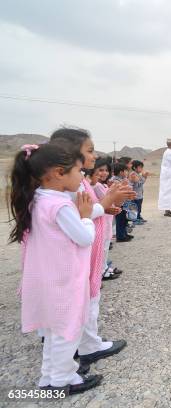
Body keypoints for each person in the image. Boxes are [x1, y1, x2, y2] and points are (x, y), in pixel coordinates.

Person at [8, 141, 103, 394]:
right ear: (59, 173)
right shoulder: (60, 206)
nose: (82, 177)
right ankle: (61, 381)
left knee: (53, 332)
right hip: (63, 281)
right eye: (78, 171)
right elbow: (84, 238)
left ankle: (49, 377)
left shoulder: (37, 199)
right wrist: (84, 216)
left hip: (46, 280)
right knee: (66, 331)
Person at [49, 128, 131, 374]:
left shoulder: (78, 180)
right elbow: (79, 214)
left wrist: (108, 205)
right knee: (85, 297)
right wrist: (106, 203)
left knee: (89, 295)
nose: (95, 156)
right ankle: (82, 350)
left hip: (89, 243)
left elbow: (90, 209)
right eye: (90, 150)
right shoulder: (71, 184)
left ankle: (87, 344)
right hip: (82, 246)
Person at [129, 160, 148, 224]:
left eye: (142, 167)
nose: (141, 169)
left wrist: (143, 177)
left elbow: (141, 183)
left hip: (139, 195)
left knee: (139, 208)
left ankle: (138, 217)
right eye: (140, 167)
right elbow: (137, 185)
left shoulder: (138, 174)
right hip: (135, 195)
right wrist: (144, 177)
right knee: (135, 208)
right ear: (134, 167)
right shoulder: (133, 174)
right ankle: (135, 220)